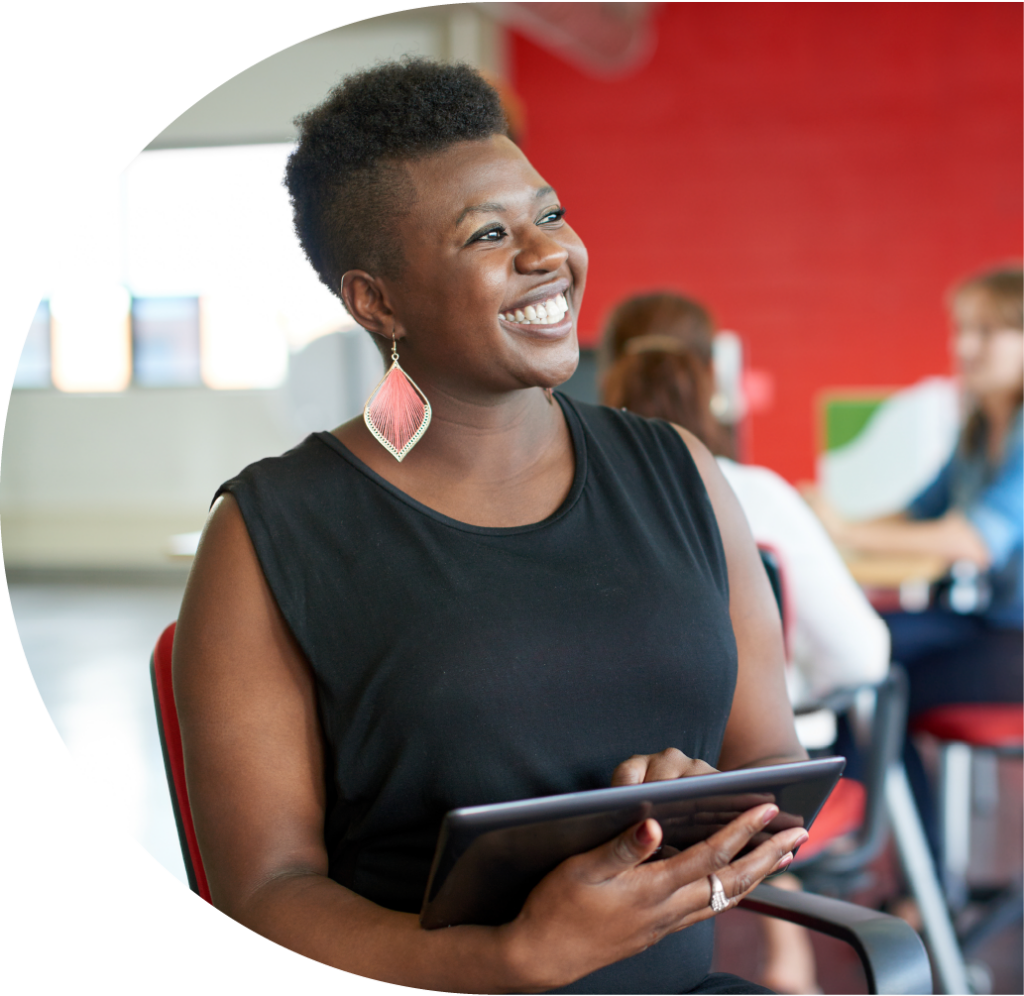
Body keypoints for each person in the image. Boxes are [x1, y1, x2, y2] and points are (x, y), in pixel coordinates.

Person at [173, 61, 809, 995]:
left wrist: (699, 802)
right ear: (375, 302)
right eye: (487, 234)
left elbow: (773, 763)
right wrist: (509, 958)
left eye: (548, 215)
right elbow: (266, 894)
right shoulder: (269, 536)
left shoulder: (679, 470)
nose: (547, 253)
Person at [600, 293, 891, 996]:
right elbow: (863, 658)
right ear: (712, 377)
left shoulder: (576, 507)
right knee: (813, 719)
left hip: (617, 785)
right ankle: (814, 950)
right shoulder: (758, 494)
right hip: (762, 783)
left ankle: (785, 953)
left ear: (605, 376)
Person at [805, 264, 1024, 858]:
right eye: (963, 330)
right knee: (852, 655)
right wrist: (820, 526)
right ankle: (887, 854)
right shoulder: (981, 429)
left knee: (871, 680)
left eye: (989, 332)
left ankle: (903, 865)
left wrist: (843, 528)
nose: (966, 347)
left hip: (1015, 641)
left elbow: (973, 540)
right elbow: (918, 514)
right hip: (993, 624)